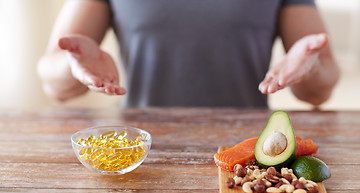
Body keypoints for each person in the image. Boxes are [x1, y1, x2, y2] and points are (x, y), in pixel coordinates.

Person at [38, 0, 340, 108]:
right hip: (140, 159)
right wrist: (73, 65)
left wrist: (308, 67)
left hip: (249, 159)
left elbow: (319, 92)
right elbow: (53, 84)